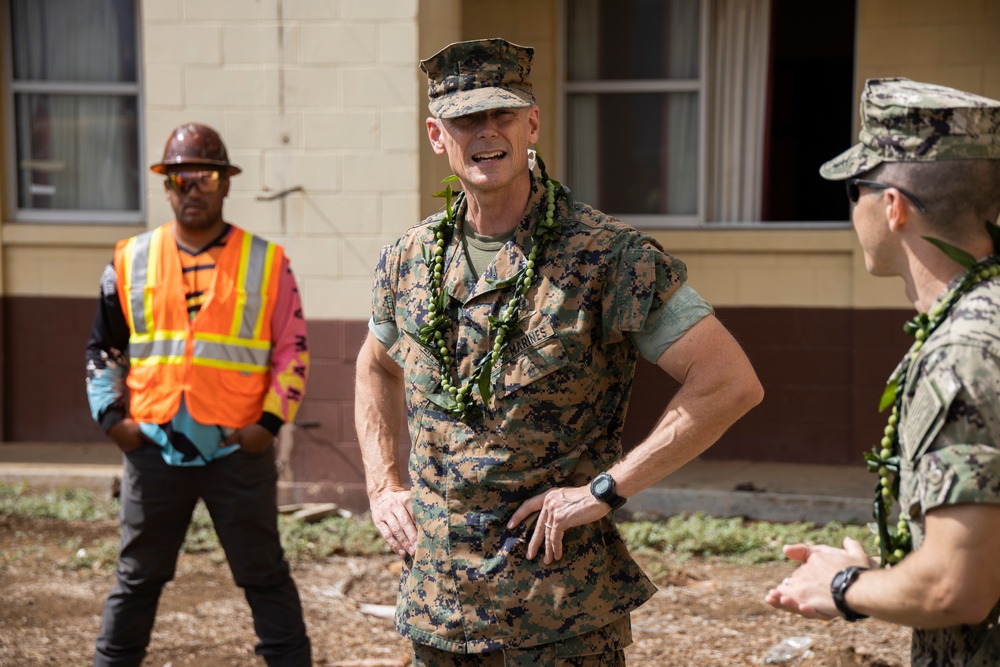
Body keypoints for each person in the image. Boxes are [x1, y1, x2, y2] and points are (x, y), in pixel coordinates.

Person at [354, 38, 764, 665]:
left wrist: (605, 490)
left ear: (532, 124)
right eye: (466, 120)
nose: (486, 133)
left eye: (502, 115)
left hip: (555, 617)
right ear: (438, 136)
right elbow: (375, 364)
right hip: (437, 608)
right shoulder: (409, 261)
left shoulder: (609, 257)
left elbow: (727, 382)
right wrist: (384, 486)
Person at [765, 78, 1000, 665]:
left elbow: (956, 586)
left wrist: (844, 587)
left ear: (892, 206)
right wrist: (879, 576)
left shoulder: (964, 352)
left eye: (855, 188)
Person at [85, 122, 312, 667]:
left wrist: (268, 426)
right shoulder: (129, 261)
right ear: (165, 186)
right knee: (137, 579)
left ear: (225, 183)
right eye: (179, 178)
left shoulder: (268, 263)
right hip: (153, 447)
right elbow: (103, 348)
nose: (192, 188)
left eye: (204, 176)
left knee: (264, 575)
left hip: (238, 450)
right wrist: (112, 419)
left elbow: (294, 351)